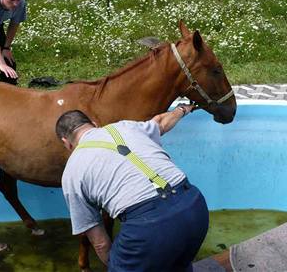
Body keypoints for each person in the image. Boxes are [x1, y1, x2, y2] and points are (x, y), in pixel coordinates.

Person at [55, 104, 209, 272]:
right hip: (195, 206)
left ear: (66, 143)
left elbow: (100, 243)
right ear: (94, 123)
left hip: (148, 226)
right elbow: (161, 122)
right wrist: (182, 110)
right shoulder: (125, 126)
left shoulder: (71, 173)